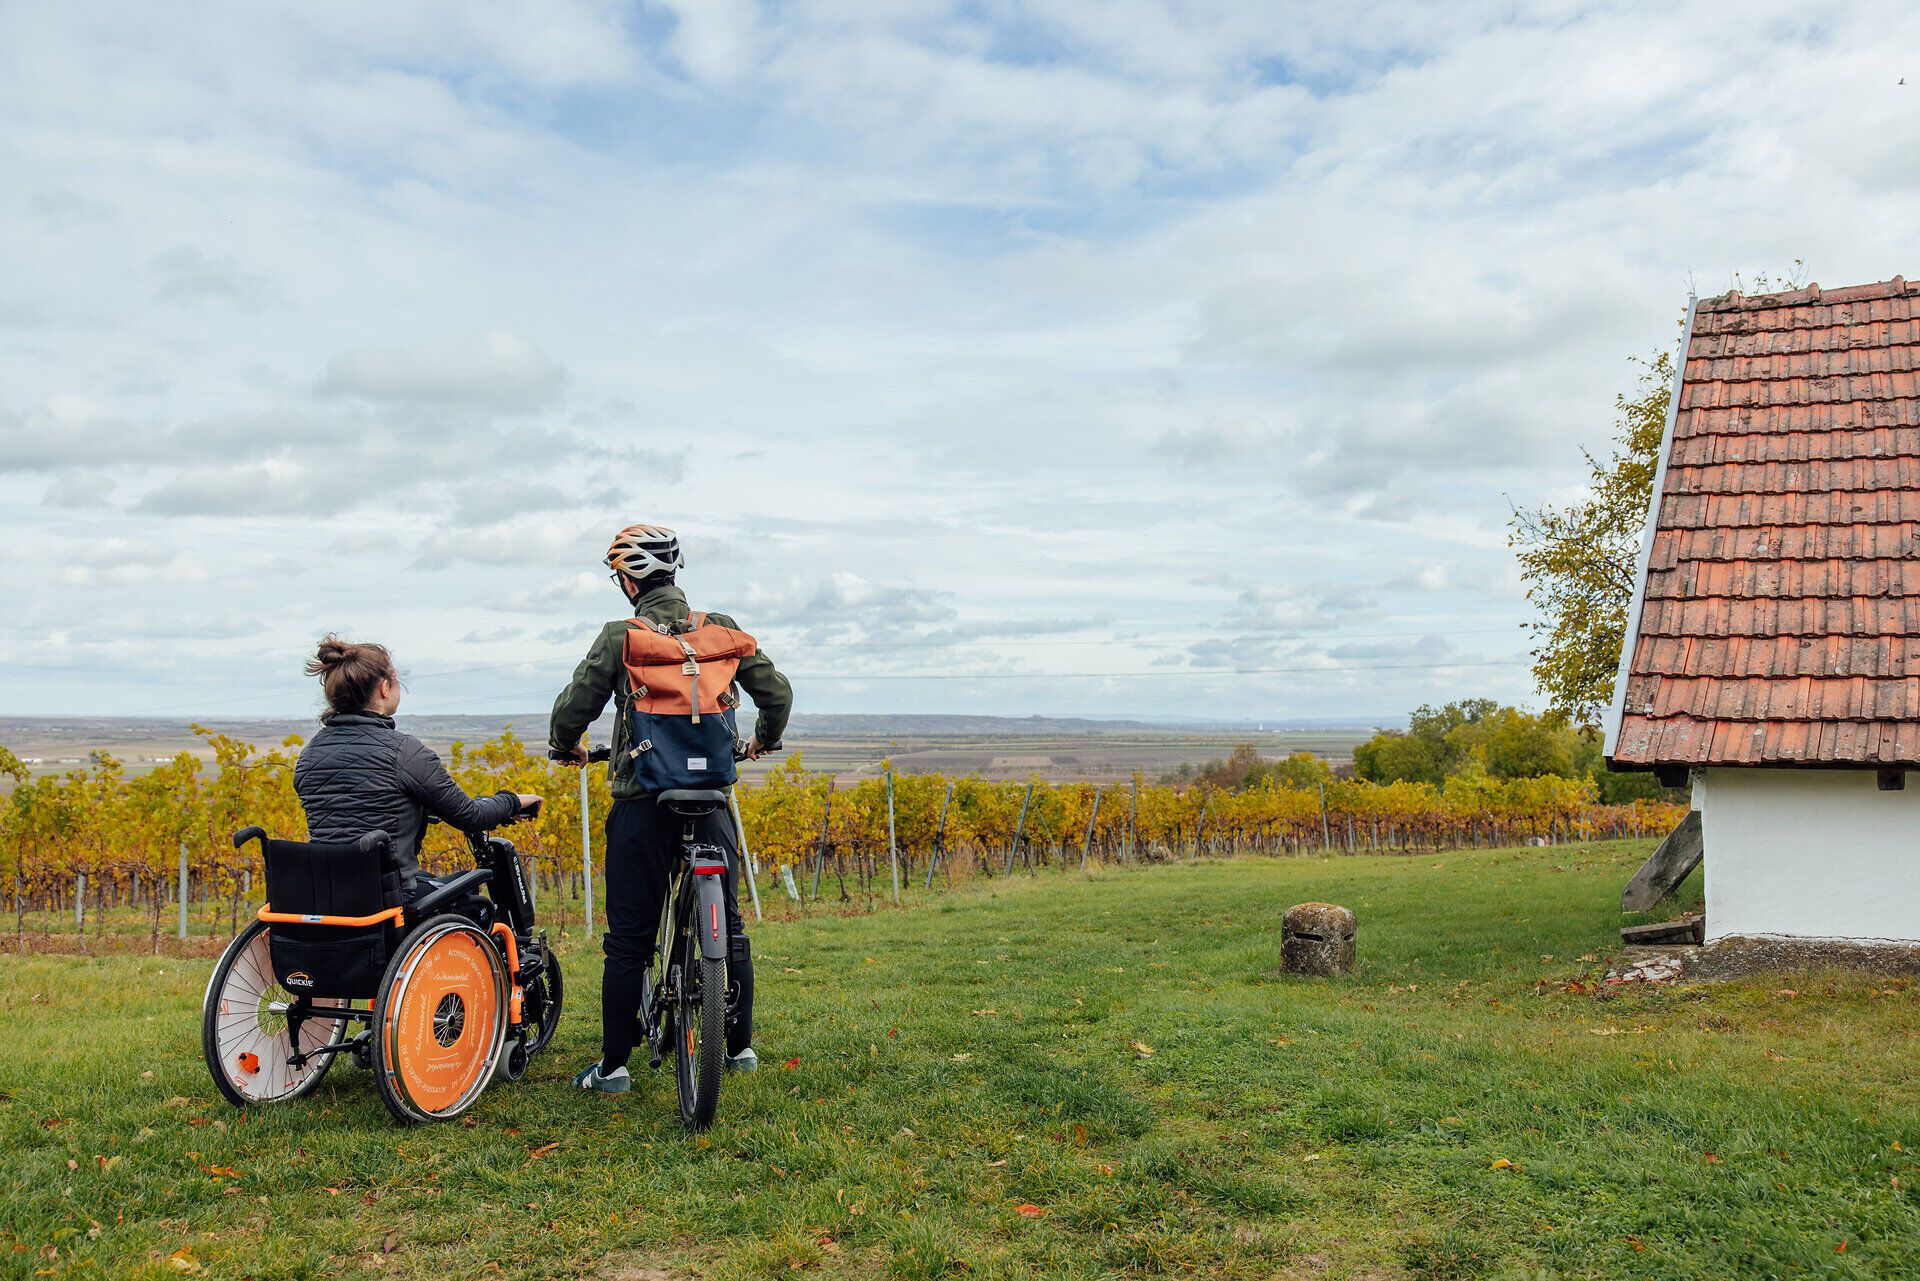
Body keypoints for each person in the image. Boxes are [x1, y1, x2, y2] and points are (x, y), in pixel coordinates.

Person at [550, 523, 792, 1093]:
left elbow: (572, 709)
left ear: (629, 580)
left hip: (642, 802)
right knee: (730, 927)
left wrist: (567, 748)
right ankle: (741, 1049)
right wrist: (762, 740)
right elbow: (777, 694)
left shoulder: (620, 637)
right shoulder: (722, 630)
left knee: (629, 939)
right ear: (674, 573)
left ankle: (613, 1068)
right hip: (709, 800)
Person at [294, 635, 540, 904]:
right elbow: (471, 816)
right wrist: (512, 800)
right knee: (474, 900)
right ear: (385, 689)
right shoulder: (405, 753)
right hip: (388, 899)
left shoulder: (310, 754)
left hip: (324, 897)